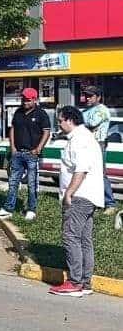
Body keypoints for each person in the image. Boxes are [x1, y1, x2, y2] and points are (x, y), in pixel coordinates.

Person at [49, 106, 105, 296]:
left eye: (60, 121)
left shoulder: (80, 140)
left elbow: (81, 169)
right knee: (84, 240)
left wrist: (69, 193)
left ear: (69, 120)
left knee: (71, 237)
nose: (59, 124)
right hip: (89, 196)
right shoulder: (85, 137)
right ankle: (85, 282)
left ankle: (75, 282)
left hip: (80, 196)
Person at [0, 87, 51, 222]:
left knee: (32, 183)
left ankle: (31, 209)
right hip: (17, 153)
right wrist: (12, 147)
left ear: (34, 100)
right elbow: (12, 129)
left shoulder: (41, 114)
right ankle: (8, 209)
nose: (25, 102)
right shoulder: (18, 112)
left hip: (32, 154)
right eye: (23, 99)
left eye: (28, 100)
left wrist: (38, 148)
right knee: (13, 182)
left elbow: (46, 132)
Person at [81, 86, 117, 215]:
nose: (87, 98)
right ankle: (95, 201)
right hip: (86, 144)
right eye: (86, 96)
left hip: (98, 144)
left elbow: (92, 123)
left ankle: (110, 203)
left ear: (98, 97)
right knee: (88, 174)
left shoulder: (102, 110)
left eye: (91, 96)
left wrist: (79, 121)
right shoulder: (86, 110)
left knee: (100, 174)